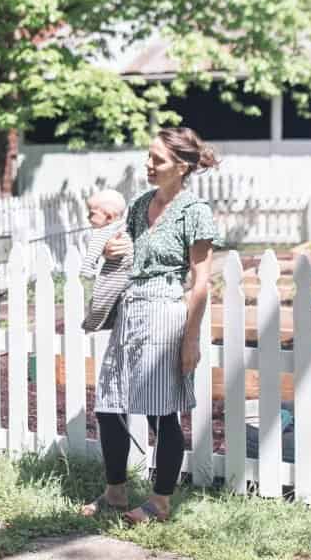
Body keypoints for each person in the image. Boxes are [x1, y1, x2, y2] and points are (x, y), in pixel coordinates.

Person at [82, 127, 221, 525]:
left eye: (157, 159)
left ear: (181, 166)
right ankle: (115, 491)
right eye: (148, 156)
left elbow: (201, 281)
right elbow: (117, 247)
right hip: (129, 311)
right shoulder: (140, 203)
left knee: (163, 413)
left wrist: (190, 340)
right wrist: (112, 247)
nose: (148, 164)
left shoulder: (195, 212)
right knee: (109, 407)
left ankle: (160, 502)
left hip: (165, 313)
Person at [80, 189, 132, 333]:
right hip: (129, 274)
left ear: (109, 216)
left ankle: (92, 325)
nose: (87, 217)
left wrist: (87, 270)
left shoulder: (102, 232)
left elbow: (93, 252)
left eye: (92, 213)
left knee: (100, 301)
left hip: (113, 274)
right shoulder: (126, 226)